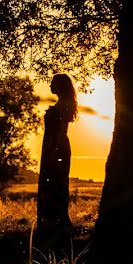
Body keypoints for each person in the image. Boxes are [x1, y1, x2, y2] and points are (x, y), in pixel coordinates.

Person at [37, 73, 78, 236]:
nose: (50, 85)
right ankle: (51, 221)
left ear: (60, 85)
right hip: (52, 147)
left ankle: (56, 222)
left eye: (53, 83)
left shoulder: (63, 106)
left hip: (56, 148)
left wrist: (54, 152)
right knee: (53, 184)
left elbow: (61, 132)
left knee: (56, 185)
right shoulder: (63, 104)